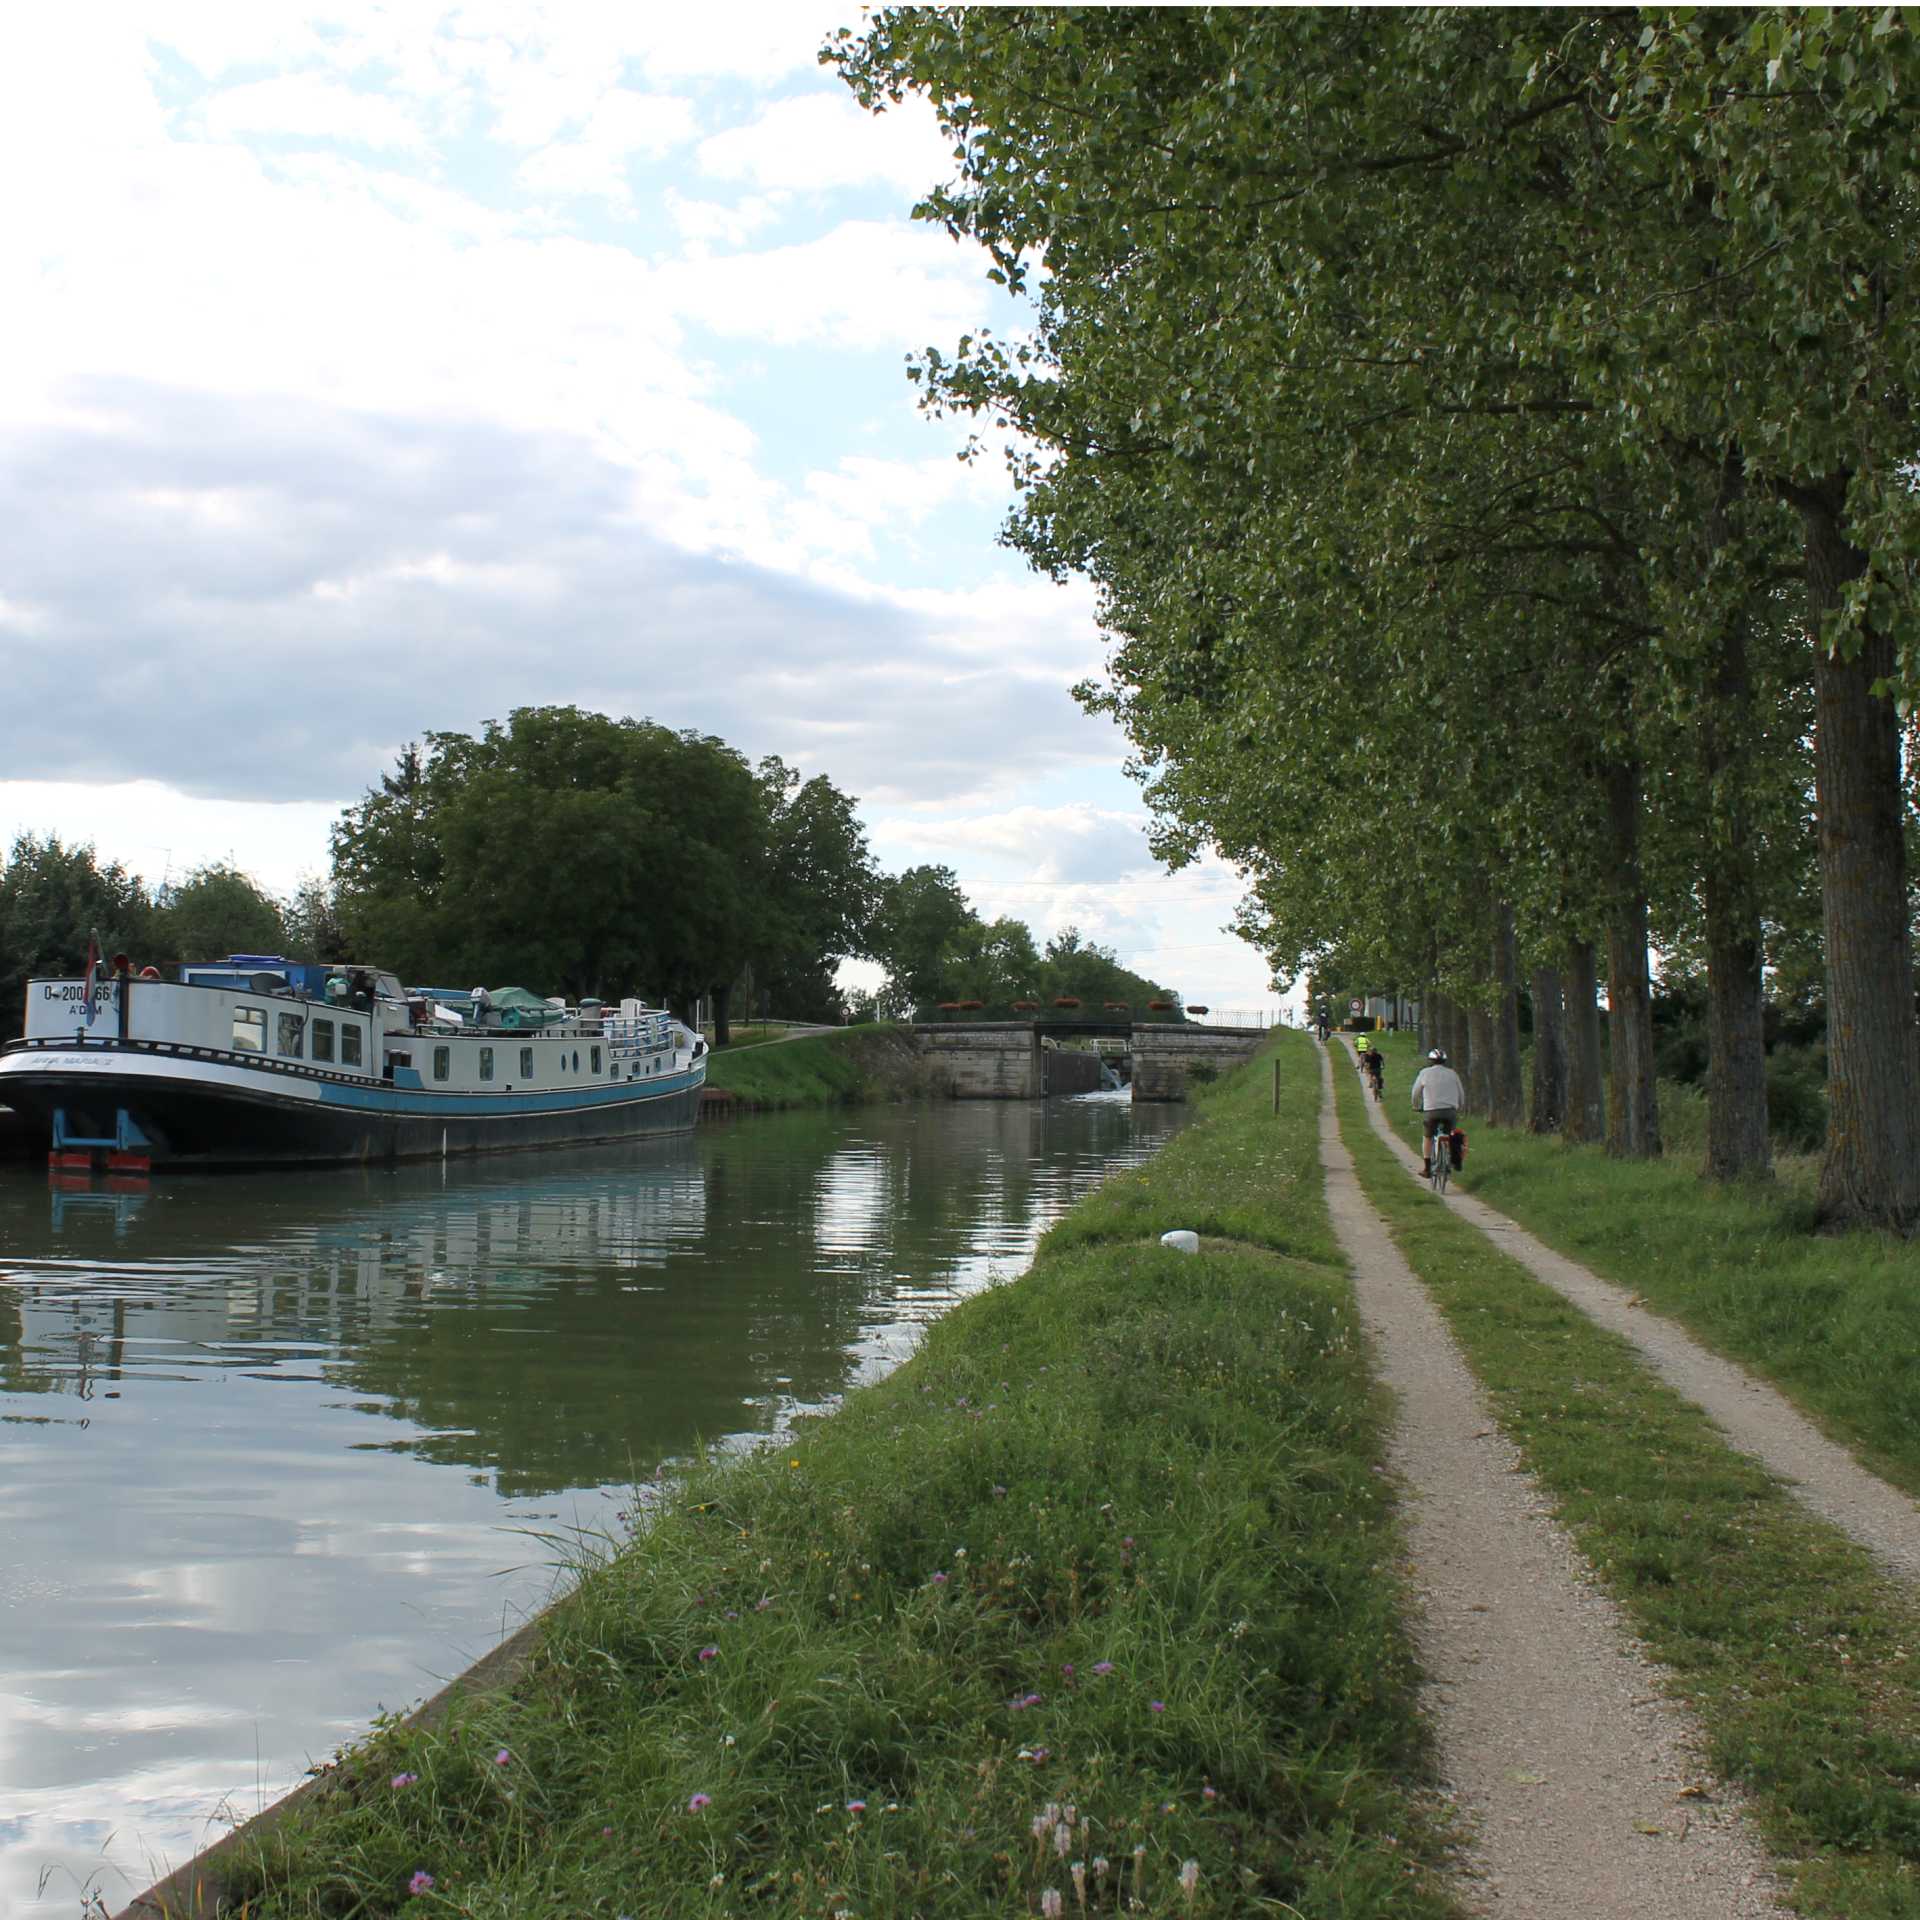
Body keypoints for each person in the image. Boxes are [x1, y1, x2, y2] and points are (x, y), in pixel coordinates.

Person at [1409, 1047, 1466, 1177]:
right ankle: (1456, 1161)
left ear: (1430, 1061)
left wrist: (1415, 1105)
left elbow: (1415, 1092)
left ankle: (1427, 1169)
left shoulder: (1424, 1073)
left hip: (1431, 1111)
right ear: (1444, 1061)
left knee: (1428, 1137)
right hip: (1450, 1111)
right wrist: (1460, 1107)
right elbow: (1461, 1093)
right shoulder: (1452, 1073)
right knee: (1452, 1135)